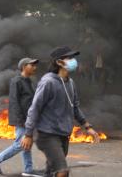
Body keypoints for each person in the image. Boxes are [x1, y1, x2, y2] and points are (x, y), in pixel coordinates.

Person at [21, 46, 100, 177]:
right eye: (69, 58)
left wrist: (87, 126)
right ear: (59, 62)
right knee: (62, 171)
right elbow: (35, 108)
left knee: (51, 172)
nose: (73, 61)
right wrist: (28, 134)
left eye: (73, 58)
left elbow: (74, 107)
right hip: (47, 134)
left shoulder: (71, 83)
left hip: (63, 134)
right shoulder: (48, 82)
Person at [0, 58, 43, 177]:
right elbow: (14, 102)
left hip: (28, 118)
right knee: (21, 144)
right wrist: (20, 121)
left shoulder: (27, 81)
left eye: (35, 65)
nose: (34, 67)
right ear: (23, 67)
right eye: (31, 65)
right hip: (22, 119)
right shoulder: (17, 81)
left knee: (27, 144)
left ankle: (28, 169)